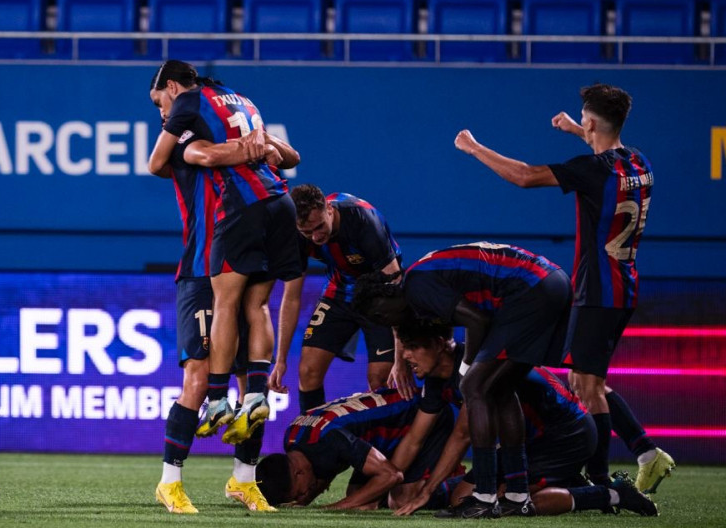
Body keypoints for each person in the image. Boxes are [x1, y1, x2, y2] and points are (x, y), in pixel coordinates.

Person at [454, 83, 673, 492]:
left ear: (592, 122)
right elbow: (607, 151)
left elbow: (524, 176)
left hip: (598, 290)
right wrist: (578, 129)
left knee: (586, 386)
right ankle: (644, 452)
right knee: (589, 380)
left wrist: (474, 148)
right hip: (623, 284)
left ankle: (603, 482)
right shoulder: (638, 161)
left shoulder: (592, 170)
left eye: (584, 121)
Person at [147, 61, 301, 513]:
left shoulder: (196, 122)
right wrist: (258, 146)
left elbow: (269, 156)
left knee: (248, 387)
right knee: (195, 378)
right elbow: (208, 157)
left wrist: (262, 146)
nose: (163, 117)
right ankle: (169, 481)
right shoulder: (190, 143)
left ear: (172, 90)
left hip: (233, 249)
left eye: (162, 105)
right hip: (201, 266)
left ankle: (243, 480)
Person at [351, 242, 571, 517]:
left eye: (380, 316)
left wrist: (466, 369)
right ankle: (517, 494)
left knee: (473, 386)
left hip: (530, 289)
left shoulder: (416, 287)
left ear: (384, 299)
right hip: (549, 281)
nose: (386, 324)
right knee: (500, 390)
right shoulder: (418, 283)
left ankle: (484, 496)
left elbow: (476, 321)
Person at [381, 321, 656, 517]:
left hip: (566, 436)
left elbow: (463, 434)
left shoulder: (472, 367)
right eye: (404, 348)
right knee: (461, 500)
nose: (405, 356)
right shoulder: (434, 378)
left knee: (515, 504)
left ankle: (613, 493)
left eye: (413, 347)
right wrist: (384, 483)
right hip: (530, 440)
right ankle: (568, 481)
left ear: (442, 344)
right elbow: (416, 438)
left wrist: (426, 491)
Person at [275, 184, 402, 413]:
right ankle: (314, 444)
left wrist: (400, 358)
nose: (315, 237)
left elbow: (395, 286)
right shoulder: (295, 235)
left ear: (329, 209)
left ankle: (382, 446)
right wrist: (280, 359)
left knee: (380, 380)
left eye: (320, 227)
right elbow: (291, 296)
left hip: (380, 294)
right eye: (307, 233)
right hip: (340, 292)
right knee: (307, 371)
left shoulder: (364, 220)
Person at [254, 388, 455, 509]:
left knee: (402, 500)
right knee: (359, 496)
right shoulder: (293, 439)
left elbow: (391, 475)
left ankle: (457, 482)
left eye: (298, 493)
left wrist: (335, 508)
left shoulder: (330, 440)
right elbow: (321, 472)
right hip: (383, 435)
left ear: (298, 472)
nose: (302, 497)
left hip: (422, 418)